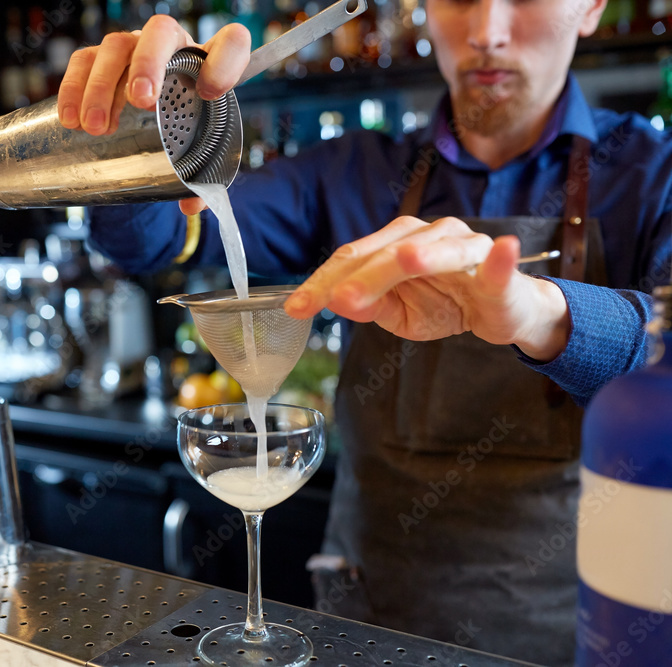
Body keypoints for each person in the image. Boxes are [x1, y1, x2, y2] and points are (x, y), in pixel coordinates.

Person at [57, 0, 672, 663]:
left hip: (571, 627)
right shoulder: (351, 171)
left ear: (592, 8)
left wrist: (540, 311)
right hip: (365, 624)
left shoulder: (652, 176)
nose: (488, 31)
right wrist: (132, 133)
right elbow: (157, 239)